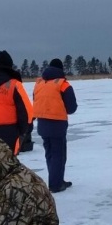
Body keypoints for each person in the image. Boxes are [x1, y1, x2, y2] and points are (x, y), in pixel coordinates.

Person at [33, 58, 78, 192]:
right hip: (57, 124)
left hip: (42, 124)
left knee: (50, 153)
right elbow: (71, 107)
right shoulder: (63, 84)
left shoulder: (39, 84)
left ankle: (56, 179)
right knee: (59, 154)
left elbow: (36, 100)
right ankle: (56, 184)